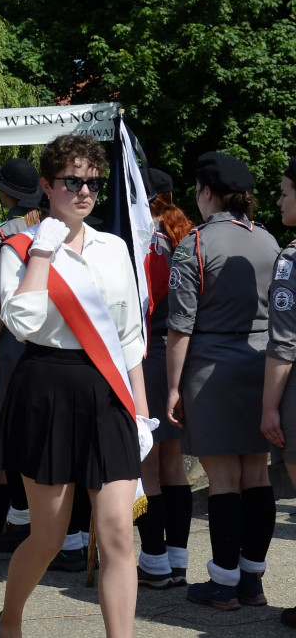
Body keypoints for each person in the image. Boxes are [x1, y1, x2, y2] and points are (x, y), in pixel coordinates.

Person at [0, 134, 153, 638]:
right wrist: (42, 252)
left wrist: (141, 413)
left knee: (118, 533)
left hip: (108, 392)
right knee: (50, 536)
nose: (84, 192)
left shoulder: (114, 247)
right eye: (73, 181)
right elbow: (23, 320)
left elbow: (127, 336)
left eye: (93, 183)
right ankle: (10, 620)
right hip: (48, 388)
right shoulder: (18, 247)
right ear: (47, 185)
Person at [166, 151, 279, 610]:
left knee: (223, 478)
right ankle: (251, 580)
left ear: (206, 192)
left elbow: (180, 326)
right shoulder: (270, 241)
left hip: (211, 367)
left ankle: (223, 582)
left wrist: (173, 387)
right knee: (257, 473)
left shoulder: (194, 244)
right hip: (261, 365)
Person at [0, 158, 43, 553]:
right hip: (50, 340)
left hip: (12, 342)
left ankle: (20, 518)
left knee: (14, 433)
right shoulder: (51, 227)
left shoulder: (2, 233)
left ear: (5, 194)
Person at [135, 168, 195, 588]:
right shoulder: (186, 235)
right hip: (183, 354)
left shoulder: (142, 240)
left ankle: (154, 561)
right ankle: (176, 560)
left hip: (150, 352)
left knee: (148, 465)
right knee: (173, 465)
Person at [262, 158, 296, 628]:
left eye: (286, 191)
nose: (280, 200)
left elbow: (285, 341)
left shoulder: (291, 260)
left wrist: (269, 405)